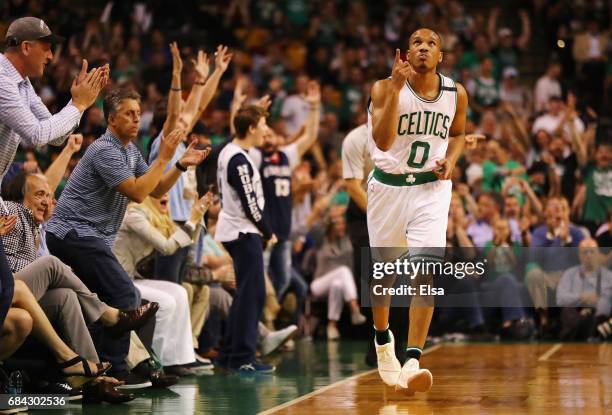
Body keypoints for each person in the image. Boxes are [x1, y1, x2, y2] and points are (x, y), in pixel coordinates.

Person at [46, 88, 209, 386]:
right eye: (128, 114)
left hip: (88, 236)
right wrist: (166, 157)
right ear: (111, 119)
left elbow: (156, 190)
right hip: (73, 233)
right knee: (125, 295)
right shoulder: (105, 150)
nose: (136, 120)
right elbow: (137, 191)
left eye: (137, 113)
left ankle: (104, 368)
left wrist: (181, 165)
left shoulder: (130, 152)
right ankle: (119, 369)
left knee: (108, 299)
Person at [367, 28, 467, 393]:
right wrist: (395, 89)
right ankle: (382, 340)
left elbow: (457, 134)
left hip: (430, 188)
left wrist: (451, 161)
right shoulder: (383, 88)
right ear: (406, 53)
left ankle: (412, 361)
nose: (423, 48)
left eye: (431, 44)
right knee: (383, 276)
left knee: (425, 271)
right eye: (416, 44)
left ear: (441, 55)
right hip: (388, 189)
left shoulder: (456, 93)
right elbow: (382, 140)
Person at [0, 15, 107, 336]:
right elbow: (37, 135)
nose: (51, 56)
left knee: (6, 290)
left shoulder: (21, 83)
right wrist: (77, 106)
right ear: (26, 46)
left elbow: (56, 135)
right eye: (46, 48)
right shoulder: (2, 80)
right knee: (6, 289)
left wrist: (80, 105)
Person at [113, 193, 213, 375]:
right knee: (166, 301)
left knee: (179, 292)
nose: (166, 193)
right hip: (117, 279)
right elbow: (167, 246)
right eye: (161, 191)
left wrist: (197, 219)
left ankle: (176, 360)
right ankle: (153, 361)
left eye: (167, 191)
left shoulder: (158, 218)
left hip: (131, 278)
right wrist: (191, 221)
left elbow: (187, 240)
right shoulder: (134, 216)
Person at [215, 105, 277, 373]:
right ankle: (243, 357)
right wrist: (267, 230)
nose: (266, 129)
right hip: (242, 231)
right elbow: (249, 203)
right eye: (263, 124)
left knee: (247, 294)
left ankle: (230, 352)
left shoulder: (232, 152)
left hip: (237, 230)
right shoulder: (238, 159)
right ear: (251, 128)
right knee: (252, 295)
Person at [556, 239, 612, 340]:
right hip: (575, 316)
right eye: (585, 252)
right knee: (568, 311)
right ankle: (593, 332)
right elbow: (560, 299)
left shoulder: (609, 276)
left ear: (598, 253)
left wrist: (596, 305)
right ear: (579, 255)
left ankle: (597, 330)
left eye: (592, 251)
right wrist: (581, 297)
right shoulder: (570, 274)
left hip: (599, 317)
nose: (589, 255)